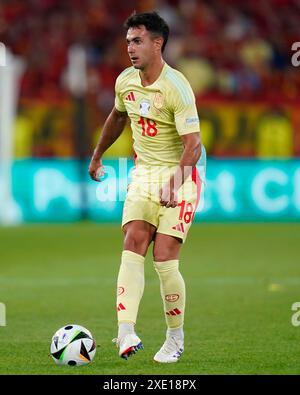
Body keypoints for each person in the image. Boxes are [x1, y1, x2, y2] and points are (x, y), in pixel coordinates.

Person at [88, 11, 206, 363]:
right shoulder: (126, 81)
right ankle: (125, 331)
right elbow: (118, 116)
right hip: (143, 174)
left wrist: (175, 182)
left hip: (180, 174)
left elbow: (194, 144)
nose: (130, 48)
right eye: (128, 42)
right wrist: (97, 155)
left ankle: (175, 338)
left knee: (165, 258)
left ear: (158, 43)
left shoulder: (176, 86)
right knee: (133, 240)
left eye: (137, 41)